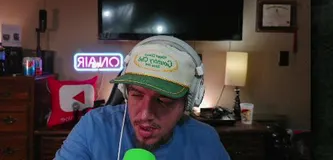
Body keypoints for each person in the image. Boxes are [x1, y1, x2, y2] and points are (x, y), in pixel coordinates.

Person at [55, 35, 230, 160]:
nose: (145, 114)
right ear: (125, 92)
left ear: (188, 102)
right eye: (137, 94)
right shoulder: (94, 127)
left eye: (164, 100)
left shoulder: (205, 140)